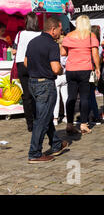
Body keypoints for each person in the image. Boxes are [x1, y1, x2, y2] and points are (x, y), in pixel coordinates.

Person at [25, 17, 68, 163]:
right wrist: (62, 70)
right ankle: (34, 153)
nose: (60, 33)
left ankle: (56, 144)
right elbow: (56, 68)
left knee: (46, 115)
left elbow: (25, 62)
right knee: (41, 120)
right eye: (60, 30)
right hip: (45, 84)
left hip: (32, 82)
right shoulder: (52, 44)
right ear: (53, 29)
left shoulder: (33, 42)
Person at [61, 15, 100, 135]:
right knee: (84, 97)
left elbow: (63, 52)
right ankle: (84, 124)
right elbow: (95, 54)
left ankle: (69, 124)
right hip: (85, 69)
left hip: (71, 69)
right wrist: (97, 68)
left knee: (71, 97)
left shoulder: (69, 35)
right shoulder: (90, 36)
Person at [11, 13, 41, 131]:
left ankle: (30, 123)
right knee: (38, 93)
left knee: (27, 95)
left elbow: (14, 50)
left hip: (21, 64)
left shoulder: (20, 34)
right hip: (35, 64)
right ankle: (38, 119)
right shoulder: (40, 34)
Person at [53, 33, 68, 126]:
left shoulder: (54, 52)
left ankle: (55, 118)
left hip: (57, 76)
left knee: (56, 98)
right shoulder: (66, 53)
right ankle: (67, 116)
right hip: (65, 75)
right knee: (66, 97)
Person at [87, 25, 101, 125]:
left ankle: (94, 115)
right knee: (90, 94)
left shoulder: (93, 43)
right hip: (93, 70)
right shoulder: (98, 43)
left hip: (90, 70)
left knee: (89, 95)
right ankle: (95, 114)